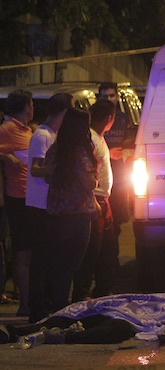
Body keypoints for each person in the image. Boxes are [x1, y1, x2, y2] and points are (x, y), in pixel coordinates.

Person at [0, 293, 165, 345]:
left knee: (80, 316)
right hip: (126, 313)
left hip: (122, 313)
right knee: (109, 327)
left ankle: (19, 331)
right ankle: (40, 333)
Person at [44, 107, 98, 313]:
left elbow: (48, 177)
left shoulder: (55, 150)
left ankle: (58, 302)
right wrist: (95, 178)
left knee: (59, 261)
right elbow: (89, 183)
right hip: (78, 214)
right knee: (72, 263)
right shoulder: (79, 152)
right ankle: (64, 307)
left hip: (56, 213)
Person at [26, 93, 73, 323]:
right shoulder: (42, 136)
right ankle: (36, 310)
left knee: (49, 258)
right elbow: (36, 169)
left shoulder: (52, 134)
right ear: (64, 111)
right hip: (39, 205)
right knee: (42, 260)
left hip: (49, 205)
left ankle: (43, 307)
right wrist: (56, 169)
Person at [72, 100, 116, 302]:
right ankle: (82, 294)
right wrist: (95, 201)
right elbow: (86, 173)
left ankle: (100, 291)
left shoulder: (97, 138)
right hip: (96, 200)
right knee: (92, 249)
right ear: (109, 119)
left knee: (105, 248)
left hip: (100, 199)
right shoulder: (92, 139)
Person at [0, 89, 35, 317]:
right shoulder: (6, 129)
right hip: (17, 198)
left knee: (30, 252)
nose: (33, 109)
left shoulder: (27, 130)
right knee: (23, 252)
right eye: (31, 104)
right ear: (25, 107)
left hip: (31, 197)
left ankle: (31, 300)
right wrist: (6, 157)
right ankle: (25, 303)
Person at [99, 82, 133, 296]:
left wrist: (126, 151)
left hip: (120, 176)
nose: (109, 99)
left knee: (118, 222)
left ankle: (111, 264)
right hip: (100, 178)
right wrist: (108, 153)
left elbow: (131, 140)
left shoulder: (123, 118)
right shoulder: (93, 119)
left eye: (112, 95)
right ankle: (105, 266)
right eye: (105, 96)